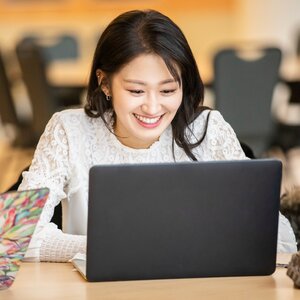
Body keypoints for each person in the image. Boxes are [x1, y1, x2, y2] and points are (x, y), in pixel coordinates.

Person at [18, 9, 297, 262]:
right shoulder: (68, 130)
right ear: (105, 83)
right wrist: (103, 248)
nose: (152, 108)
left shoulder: (209, 130)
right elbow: (17, 236)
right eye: (136, 91)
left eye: (167, 91)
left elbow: (274, 237)